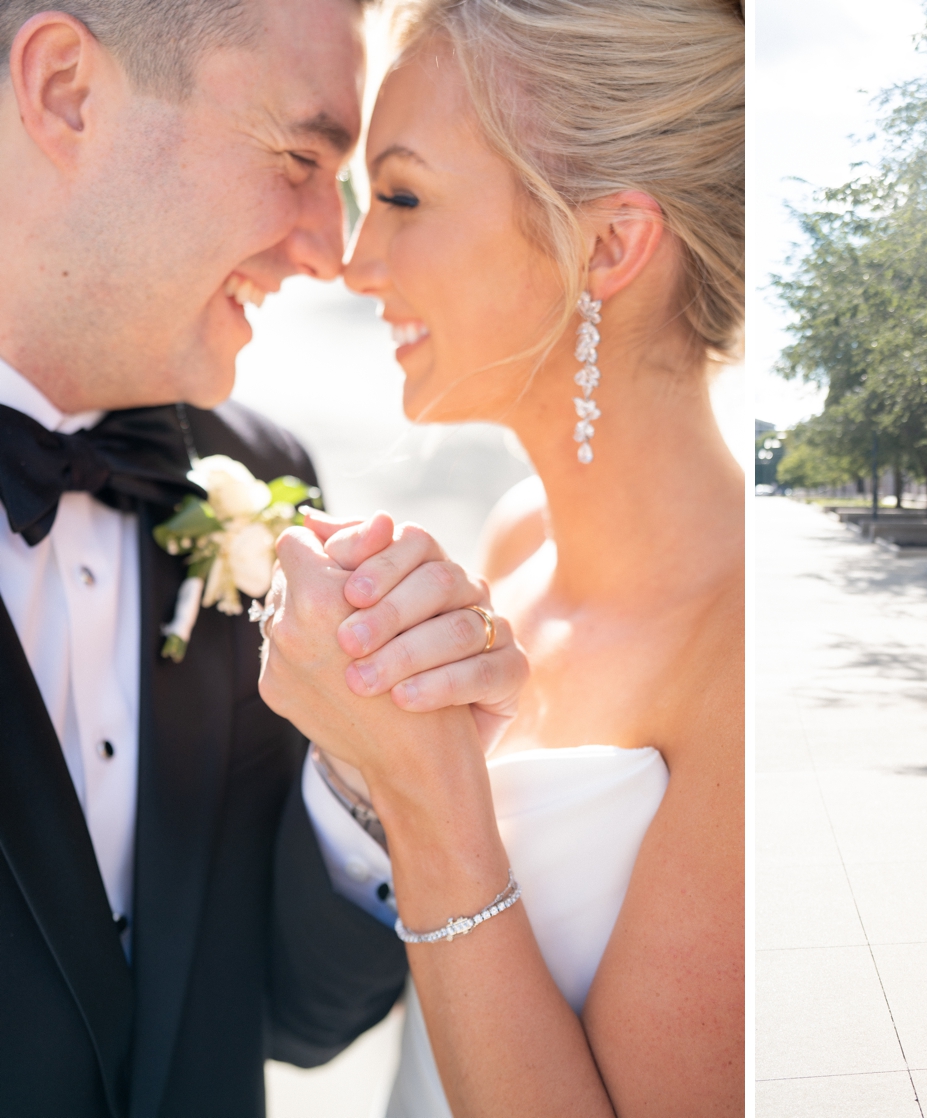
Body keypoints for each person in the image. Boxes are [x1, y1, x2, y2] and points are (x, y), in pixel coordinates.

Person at [0, 3, 525, 1114]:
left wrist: (367, 773)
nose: (335, 252)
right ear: (64, 92)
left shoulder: (265, 482)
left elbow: (291, 1013)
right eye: (299, 156)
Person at [256, 1, 746, 1115]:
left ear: (607, 245)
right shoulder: (515, 543)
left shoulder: (747, 650)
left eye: (404, 194)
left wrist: (424, 791)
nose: (351, 259)